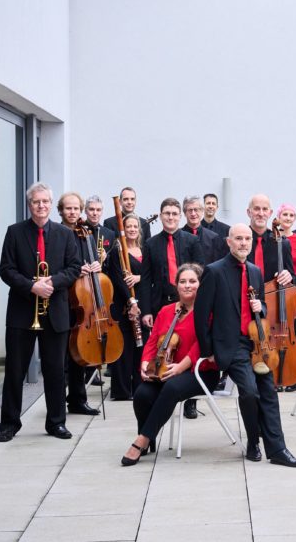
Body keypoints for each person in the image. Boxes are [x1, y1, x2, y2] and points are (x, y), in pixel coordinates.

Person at [194, 223, 296, 467]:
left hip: (257, 343)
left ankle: (278, 450)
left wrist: (261, 307)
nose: (244, 242)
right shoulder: (214, 271)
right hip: (231, 346)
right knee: (250, 392)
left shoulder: (255, 271)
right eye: (239, 239)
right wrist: (208, 351)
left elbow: (263, 307)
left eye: (247, 239)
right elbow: (201, 316)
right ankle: (253, 441)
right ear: (229, 242)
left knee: (269, 392)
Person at [0, 183, 82, 442]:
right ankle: (9, 424)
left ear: (50, 204)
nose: (41, 206)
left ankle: (56, 422)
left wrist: (51, 283)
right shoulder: (14, 232)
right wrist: (31, 286)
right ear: (29, 204)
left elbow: (74, 267)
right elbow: (6, 269)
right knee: (15, 370)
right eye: (37, 202)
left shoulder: (65, 235)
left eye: (45, 201)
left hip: (54, 311)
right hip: (22, 312)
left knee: (56, 370)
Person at [120, 263, 220, 465]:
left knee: (172, 388)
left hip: (199, 372)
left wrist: (180, 367)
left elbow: (201, 345)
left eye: (192, 281)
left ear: (200, 285)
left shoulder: (207, 311)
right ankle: (149, 438)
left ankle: (142, 440)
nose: (187, 286)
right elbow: (152, 340)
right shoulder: (166, 311)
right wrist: (146, 362)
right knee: (141, 394)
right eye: (183, 281)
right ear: (176, 285)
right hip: (164, 370)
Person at [140, 198, 205, 418]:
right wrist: (147, 310)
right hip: (161, 302)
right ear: (160, 216)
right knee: (164, 347)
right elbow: (146, 278)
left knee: (187, 347)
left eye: (174, 214)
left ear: (180, 216)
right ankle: (161, 387)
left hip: (188, 301)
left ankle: (190, 401)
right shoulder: (150, 244)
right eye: (166, 213)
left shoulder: (191, 240)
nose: (170, 217)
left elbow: (200, 275)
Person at [57, 191, 101, 416]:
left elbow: (91, 261)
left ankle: (77, 400)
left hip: (82, 299)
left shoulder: (86, 234)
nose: (72, 212)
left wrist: (95, 266)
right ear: (61, 211)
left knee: (78, 353)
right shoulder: (55, 233)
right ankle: (57, 404)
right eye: (68, 208)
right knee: (61, 357)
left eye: (76, 208)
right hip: (62, 298)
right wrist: (76, 270)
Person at [105, 213, 147, 401]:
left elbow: (149, 276)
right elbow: (116, 279)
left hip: (142, 306)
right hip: (124, 306)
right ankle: (121, 391)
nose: (131, 229)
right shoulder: (117, 251)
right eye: (128, 226)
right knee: (124, 349)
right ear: (123, 229)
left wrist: (139, 278)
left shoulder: (145, 249)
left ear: (139, 229)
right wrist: (130, 302)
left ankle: (139, 386)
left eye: (134, 226)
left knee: (141, 348)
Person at [245, 194, 296, 286]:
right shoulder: (239, 242)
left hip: (273, 299)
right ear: (249, 212)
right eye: (256, 209)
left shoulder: (282, 243)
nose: (261, 214)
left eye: (265, 209)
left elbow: (292, 276)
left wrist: (289, 276)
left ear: (270, 213)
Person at [183, 195, 226, 263]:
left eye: (196, 210)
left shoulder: (213, 238)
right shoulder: (178, 236)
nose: (193, 213)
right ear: (185, 213)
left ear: (202, 211)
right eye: (190, 210)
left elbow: (216, 265)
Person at [275, 203, 296, 286]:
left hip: (295, 283)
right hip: (275, 282)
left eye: (291, 215)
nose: (288, 218)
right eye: (285, 214)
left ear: (294, 219)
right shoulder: (272, 239)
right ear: (278, 217)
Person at [83, 195, 116, 264]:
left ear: (102, 212)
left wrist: (106, 257)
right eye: (91, 209)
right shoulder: (78, 230)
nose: (95, 213)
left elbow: (114, 261)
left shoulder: (110, 234)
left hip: (103, 273)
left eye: (98, 210)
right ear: (85, 211)